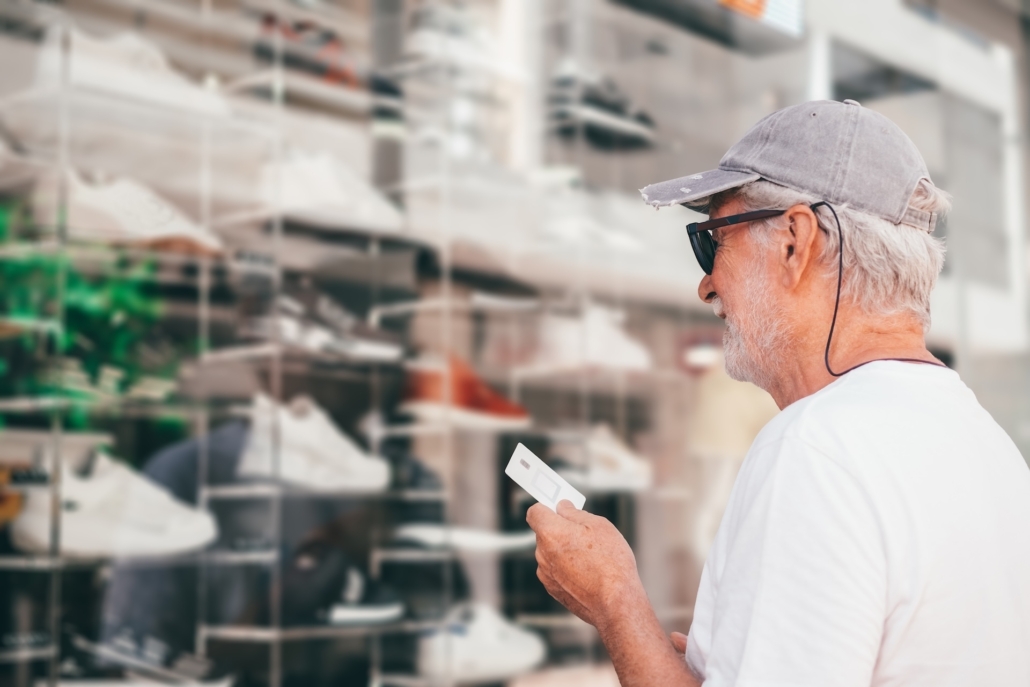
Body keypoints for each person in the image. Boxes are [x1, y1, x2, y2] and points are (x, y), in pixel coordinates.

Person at [526, 99, 1030, 686]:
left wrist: (614, 603)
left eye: (711, 240)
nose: (706, 283)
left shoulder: (817, 449)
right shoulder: (990, 447)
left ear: (795, 241)